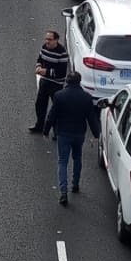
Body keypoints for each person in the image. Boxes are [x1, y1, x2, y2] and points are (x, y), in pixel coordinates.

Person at [42, 72, 100, 204]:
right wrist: (96, 135)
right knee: (77, 158)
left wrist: (46, 130)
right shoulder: (86, 97)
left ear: (67, 82)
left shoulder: (59, 96)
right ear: (79, 82)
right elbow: (92, 118)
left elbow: (52, 115)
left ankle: (63, 192)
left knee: (62, 162)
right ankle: (75, 184)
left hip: (63, 133)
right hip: (79, 134)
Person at [31, 30, 69, 133]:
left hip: (56, 84)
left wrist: (46, 72)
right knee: (40, 104)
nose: (47, 41)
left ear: (56, 40)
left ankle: (56, 131)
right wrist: (38, 67)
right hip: (44, 81)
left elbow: (61, 73)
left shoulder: (62, 53)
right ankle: (39, 125)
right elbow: (39, 59)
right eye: (46, 39)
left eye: (50, 39)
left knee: (56, 108)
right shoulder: (44, 47)